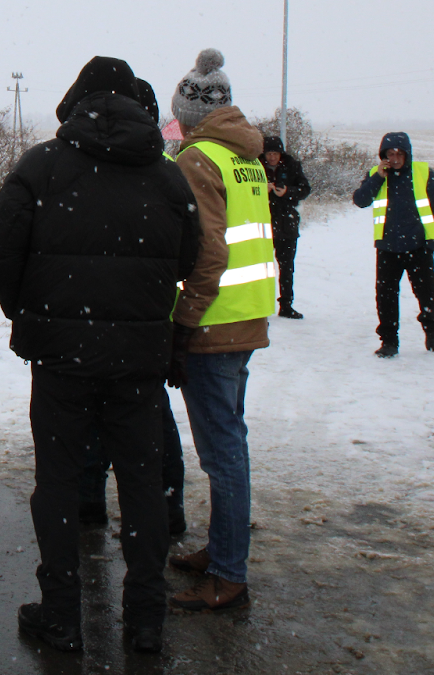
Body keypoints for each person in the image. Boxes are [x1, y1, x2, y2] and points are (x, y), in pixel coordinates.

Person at [0, 56, 202, 656]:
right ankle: (146, 620)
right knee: (142, 485)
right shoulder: (165, 176)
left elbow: (2, 254)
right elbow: (190, 257)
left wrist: (31, 314)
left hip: (60, 361)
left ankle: (61, 617)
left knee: (55, 484)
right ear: (136, 104)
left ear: (75, 99)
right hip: (138, 360)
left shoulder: (42, 166)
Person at [166, 48, 274, 615]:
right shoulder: (245, 155)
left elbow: (209, 251)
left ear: (188, 110)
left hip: (212, 324)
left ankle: (229, 574)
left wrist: (182, 327)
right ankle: (223, 550)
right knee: (230, 443)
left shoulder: (198, 158)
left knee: (222, 453)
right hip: (245, 316)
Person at [78, 78, 187, 539]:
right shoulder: (164, 173)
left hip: (86, 329)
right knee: (150, 430)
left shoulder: (71, 168)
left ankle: (87, 509)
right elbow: (191, 254)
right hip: (145, 328)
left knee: (91, 426)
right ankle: (161, 515)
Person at [351, 131, 434, 357]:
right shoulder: (377, 174)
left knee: (427, 294)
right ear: (382, 155)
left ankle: (430, 327)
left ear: (407, 155)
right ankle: (389, 341)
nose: (394, 158)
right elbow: (360, 200)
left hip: (418, 247)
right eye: (389, 154)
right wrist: (378, 178)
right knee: (385, 297)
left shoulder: (423, 173)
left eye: (399, 154)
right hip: (387, 248)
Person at [261, 135, 313, 319]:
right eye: (269, 153)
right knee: (262, 268)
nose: (272, 157)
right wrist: (261, 189)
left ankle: (286, 305)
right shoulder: (256, 166)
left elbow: (305, 189)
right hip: (263, 224)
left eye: (275, 153)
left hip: (287, 223)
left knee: (287, 267)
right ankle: (261, 306)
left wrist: (287, 192)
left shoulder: (292, 166)